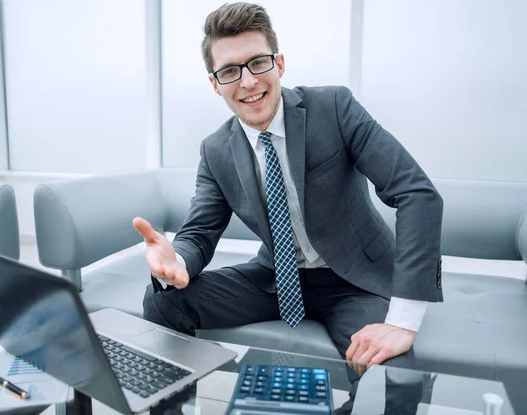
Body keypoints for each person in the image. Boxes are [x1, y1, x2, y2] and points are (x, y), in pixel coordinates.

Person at [134, 1, 443, 378]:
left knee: (389, 374)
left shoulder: (334, 107)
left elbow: (416, 194)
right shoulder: (215, 150)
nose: (248, 82)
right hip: (276, 279)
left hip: (356, 282)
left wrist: (403, 320)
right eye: (230, 71)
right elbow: (199, 234)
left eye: (258, 63)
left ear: (278, 65)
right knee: (164, 300)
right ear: (215, 84)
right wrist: (175, 263)